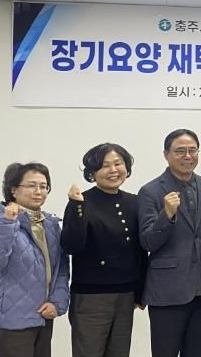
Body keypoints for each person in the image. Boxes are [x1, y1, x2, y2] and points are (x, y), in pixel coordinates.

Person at [138, 129, 201, 357]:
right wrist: (166, 215)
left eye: (192, 150)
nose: (188, 156)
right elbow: (147, 241)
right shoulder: (150, 191)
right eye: (180, 151)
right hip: (167, 291)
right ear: (166, 154)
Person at [61, 143, 148, 357]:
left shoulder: (135, 202)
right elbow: (71, 245)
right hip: (91, 297)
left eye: (118, 164)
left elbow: (140, 251)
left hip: (126, 295)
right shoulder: (81, 202)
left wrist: (141, 291)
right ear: (92, 172)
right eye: (105, 165)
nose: (113, 170)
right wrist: (77, 207)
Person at [0, 162, 70, 357]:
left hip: (43, 316)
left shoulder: (51, 225)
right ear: (13, 190)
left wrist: (57, 303)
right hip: (12, 319)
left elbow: (61, 269)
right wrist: (7, 223)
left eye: (43, 186)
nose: (38, 191)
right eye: (31, 185)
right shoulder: (1, 222)